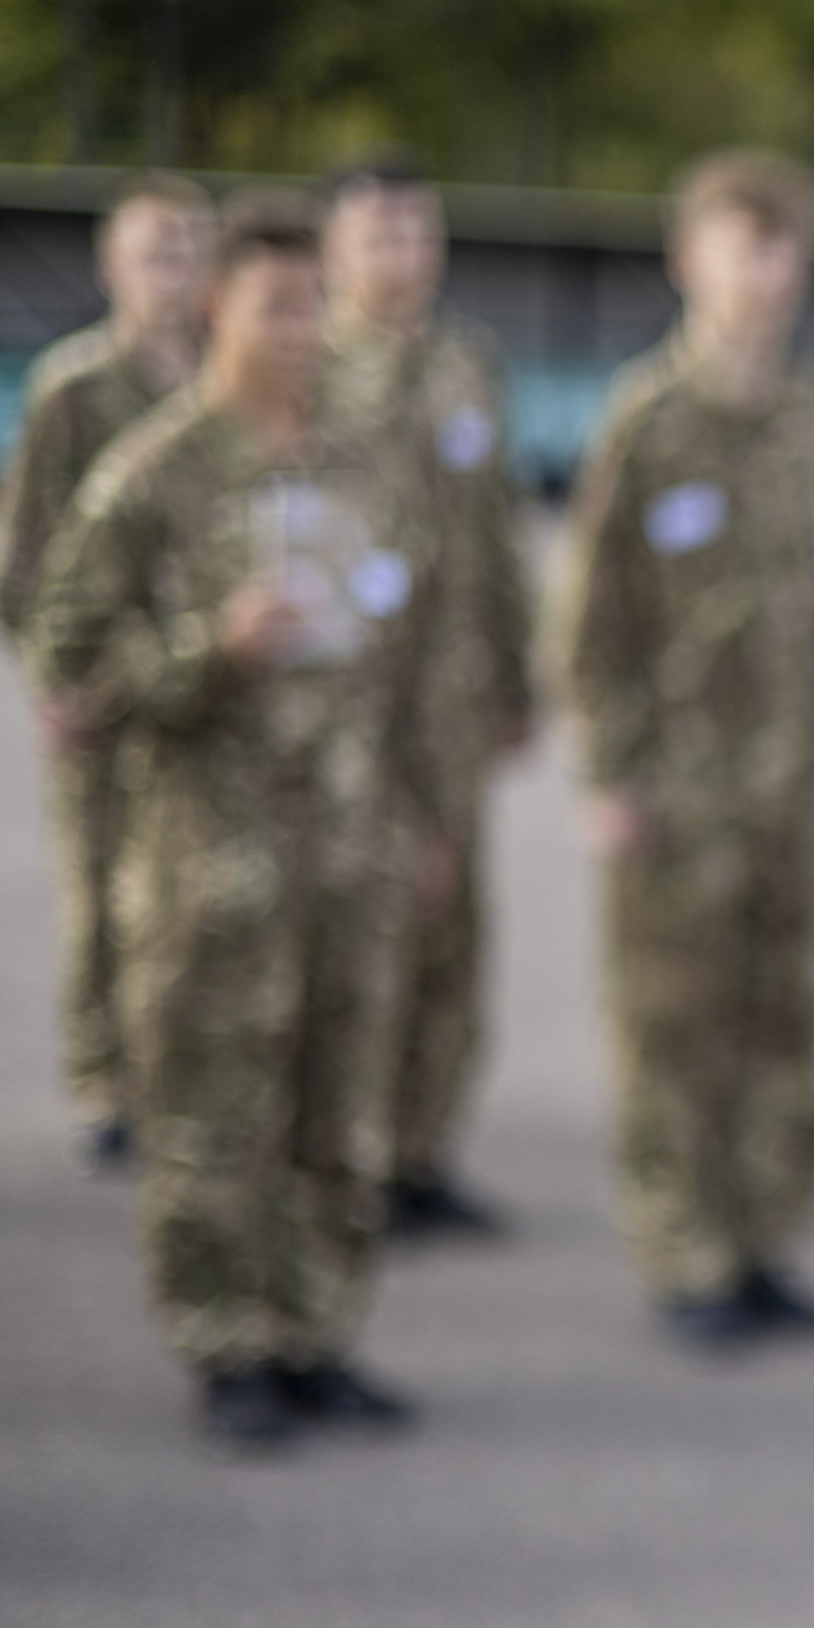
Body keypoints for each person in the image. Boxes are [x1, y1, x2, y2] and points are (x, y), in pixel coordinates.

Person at [25, 190, 443, 1451]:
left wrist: (420, 810)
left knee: (339, 1106)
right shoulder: (154, 468)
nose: (304, 327)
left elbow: (411, 647)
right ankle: (227, 1345)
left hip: (348, 851)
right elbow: (67, 660)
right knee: (216, 1113)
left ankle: (315, 1331)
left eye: (314, 302)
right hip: (213, 862)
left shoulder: (366, 454)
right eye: (276, 304)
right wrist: (210, 650)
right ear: (217, 307)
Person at [541, 148, 814, 1352]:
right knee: (672, 1028)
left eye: (789, 247)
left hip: (788, 789)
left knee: (780, 1027)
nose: (772, 270)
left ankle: (760, 1241)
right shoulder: (650, 419)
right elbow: (592, 618)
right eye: (750, 243)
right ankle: (685, 1255)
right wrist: (605, 774)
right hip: (677, 792)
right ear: (692, 258)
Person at [319, 151, 535, 1241]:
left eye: (421, 234)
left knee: (453, 940)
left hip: (451, 704)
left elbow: (497, 529)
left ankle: (420, 1153)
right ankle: (347, 1159)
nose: (407, 257)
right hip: (342, 719)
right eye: (382, 236)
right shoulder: (306, 367)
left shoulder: (466, 364)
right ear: (334, 251)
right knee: (367, 940)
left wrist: (516, 675)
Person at [0, 173, 212, 1174]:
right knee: (102, 896)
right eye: (156, 250)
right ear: (112, 266)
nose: (177, 272)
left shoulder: (224, 384)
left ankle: (179, 1070)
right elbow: (19, 561)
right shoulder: (75, 391)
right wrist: (57, 681)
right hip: (108, 694)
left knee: (192, 897)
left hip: (204, 688)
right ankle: (107, 1082)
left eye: (193, 251)